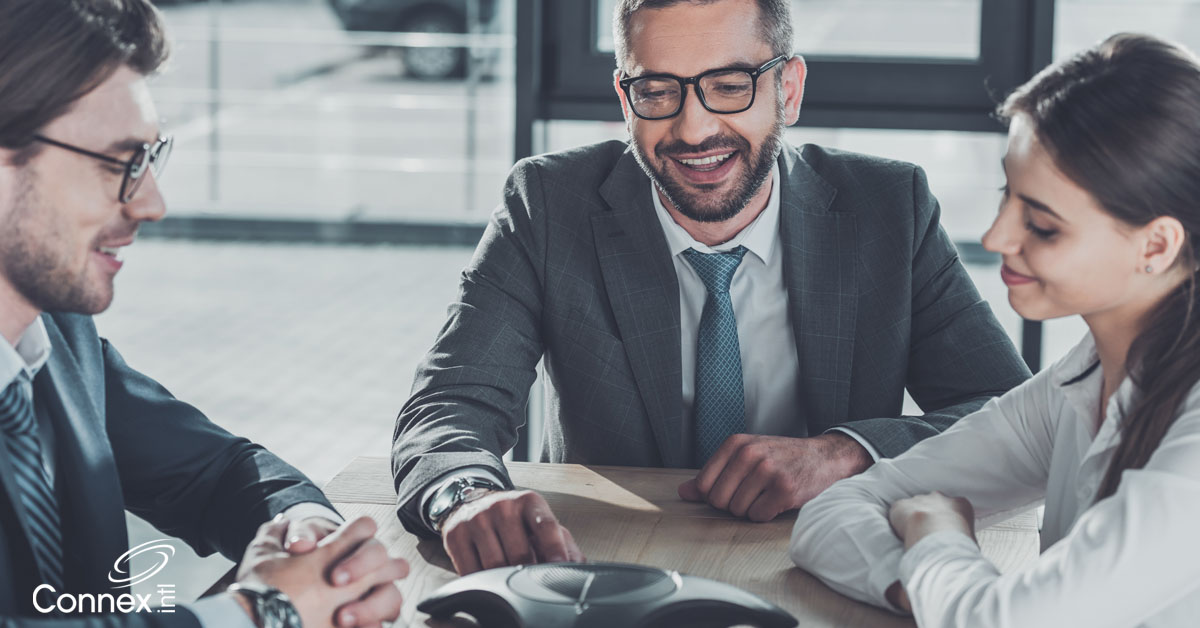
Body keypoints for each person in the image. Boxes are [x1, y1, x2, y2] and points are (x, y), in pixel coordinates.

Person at [393, 0, 1030, 575]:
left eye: (729, 86)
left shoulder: (891, 208)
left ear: (788, 88)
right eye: (658, 90)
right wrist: (466, 496)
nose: (694, 130)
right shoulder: (548, 205)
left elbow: (1009, 414)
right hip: (605, 570)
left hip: (828, 566)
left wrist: (845, 454)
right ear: (625, 98)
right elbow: (449, 405)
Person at [0, 1, 408, 626]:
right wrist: (259, 612)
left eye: (149, 159)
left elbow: (214, 472)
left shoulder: (55, 332)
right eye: (118, 162)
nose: (153, 203)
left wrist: (310, 539)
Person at [790, 32, 1200, 627]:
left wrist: (935, 534)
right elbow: (833, 511)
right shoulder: (1082, 377)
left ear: (1156, 245)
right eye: (1010, 194)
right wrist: (928, 588)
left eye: (1041, 223)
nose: (995, 238)